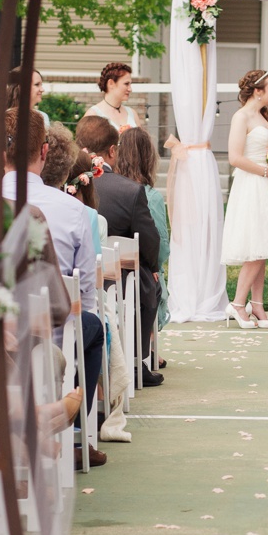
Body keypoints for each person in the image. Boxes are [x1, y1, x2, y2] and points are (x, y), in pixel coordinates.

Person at [0, 107, 108, 467]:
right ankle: (78, 433)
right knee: (93, 326)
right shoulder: (72, 210)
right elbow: (84, 295)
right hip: (49, 341)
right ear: (44, 153)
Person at [219, 70, 268, 329]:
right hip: (252, 185)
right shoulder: (241, 117)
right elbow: (235, 158)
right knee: (255, 246)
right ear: (257, 90)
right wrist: (267, 171)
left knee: (263, 247)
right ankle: (238, 304)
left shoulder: (265, 118)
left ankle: (258, 304)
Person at [91, 126, 163, 385]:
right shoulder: (130, 190)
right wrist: (153, 265)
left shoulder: (70, 184)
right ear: (112, 150)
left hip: (82, 275)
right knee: (150, 285)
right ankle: (137, 361)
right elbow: (150, 240)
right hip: (121, 279)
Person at [112, 127, 169, 378]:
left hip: (110, 271)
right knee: (157, 281)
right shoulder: (149, 195)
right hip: (137, 273)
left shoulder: (106, 189)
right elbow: (159, 246)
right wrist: (156, 267)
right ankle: (145, 351)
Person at [86, 61, 144, 134]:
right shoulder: (93, 114)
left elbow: (142, 143)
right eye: (126, 84)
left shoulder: (132, 113)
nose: (130, 89)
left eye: (130, 84)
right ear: (111, 83)